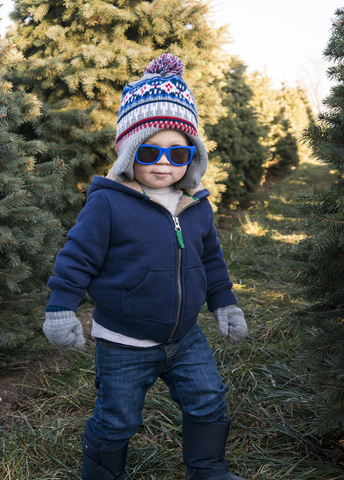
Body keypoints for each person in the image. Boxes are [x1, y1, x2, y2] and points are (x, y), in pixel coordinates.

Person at [43, 53, 248, 480]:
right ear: (129, 152)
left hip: (186, 335)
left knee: (209, 398)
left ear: (193, 155)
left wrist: (225, 304)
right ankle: (102, 473)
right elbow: (76, 258)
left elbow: (211, 259)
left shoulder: (195, 204)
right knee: (117, 417)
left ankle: (208, 467)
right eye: (150, 150)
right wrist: (61, 307)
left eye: (178, 152)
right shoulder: (109, 202)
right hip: (123, 339)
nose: (163, 163)